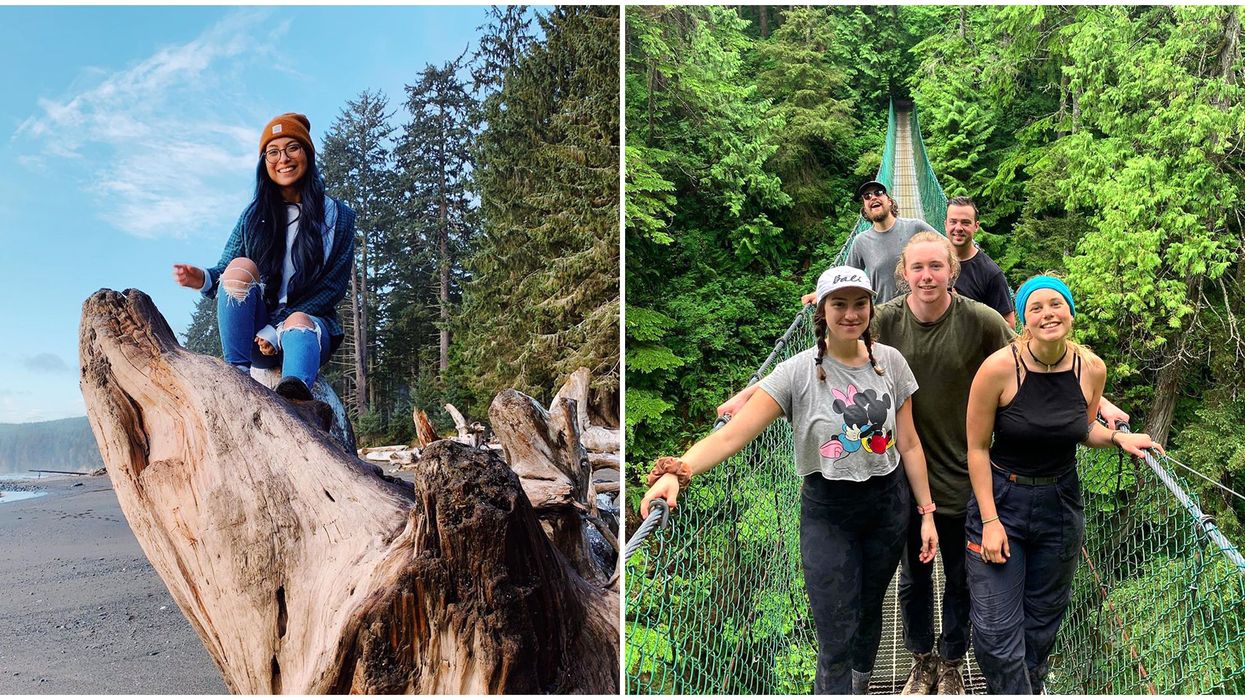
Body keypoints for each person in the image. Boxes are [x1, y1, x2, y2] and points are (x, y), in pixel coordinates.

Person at [642, 266, 938, 695]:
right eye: (839, 304)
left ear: (872, 308)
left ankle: (860, 685)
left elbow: (909, 444)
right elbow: (731, 435)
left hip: (888, 505)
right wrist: (677, 472)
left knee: (871, 608)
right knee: (835, 635)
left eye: (860, 304)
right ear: (821, 311)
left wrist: (925, 514)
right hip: (828, 511)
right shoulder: (794, 373)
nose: (851, 314)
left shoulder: (890, 362)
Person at [964, 275, 1162, 694]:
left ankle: (1025, 688)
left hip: (1060, 501)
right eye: (1036, 307)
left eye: (1056, 304)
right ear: (1023, 320)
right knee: (996, 634)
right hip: (1003, 498)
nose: (1048, 314)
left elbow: (1084, 427)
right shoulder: (999, 368)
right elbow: (978, 449)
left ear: (1070, 312)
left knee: (1042, 623)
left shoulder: (1091, 368)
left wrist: (1117, 437)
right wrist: (990, 521)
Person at [873, 232, 1012, 695]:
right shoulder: (883, 322)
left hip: (963, 475)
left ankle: (952, 660)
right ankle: (921, 659)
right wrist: (760, 391)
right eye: (917, 267)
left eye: (937, 266)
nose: (927, 275)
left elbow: (1032, 358)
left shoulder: (980, 322)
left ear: (952, 271)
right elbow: (828, 348)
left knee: (960, 578)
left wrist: (1099, 405)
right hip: (903, 478)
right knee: (913, 577)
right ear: (904, 273)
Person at [172, 113, 355, 400]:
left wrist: (277, 327)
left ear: (307, 152)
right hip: (257, 339)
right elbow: (226, 272)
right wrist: (203, 278)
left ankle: (296, 396)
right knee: (240, 266)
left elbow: (332, 289)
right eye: (273, 152)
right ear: (264, 162)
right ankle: (237, 378)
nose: (283, 158)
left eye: (292, 147)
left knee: (298, 320)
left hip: (306, 330)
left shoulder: (339, 217)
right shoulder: (254, 215)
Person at [845, 181, 937, 303]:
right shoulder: (860, 242)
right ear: (865, 210)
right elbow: (846, 278)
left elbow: (949, 250)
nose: (873, 197)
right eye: (867, 196)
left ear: (890, 201)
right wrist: (821, 293)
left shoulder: (915, 227)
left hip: (920, 311)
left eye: (878, 193)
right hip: (884, 315)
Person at [944, 196, 1015, 325]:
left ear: (976, 226)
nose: (958, 228)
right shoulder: (931, 262)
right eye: (953, 222)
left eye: (965, 223)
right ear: (945, 224)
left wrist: (964, 308)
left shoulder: (990, 273)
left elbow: (1009, 325)